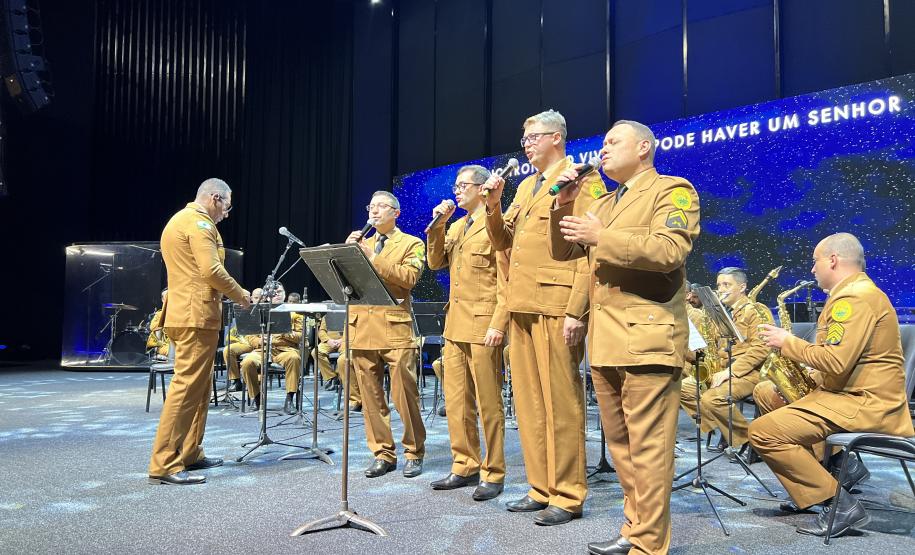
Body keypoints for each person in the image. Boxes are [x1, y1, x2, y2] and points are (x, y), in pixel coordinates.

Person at [549, 120, 700, 554]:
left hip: (648, 339)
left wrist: (603, 236)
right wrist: (563, 203)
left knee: (649, 448)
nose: (604, 148)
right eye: (603, 142)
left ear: (645, 147)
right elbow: (564, 251)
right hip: (607, 342)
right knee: (622, 447)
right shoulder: (607, 201)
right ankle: (635, 529)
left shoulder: (673, 190)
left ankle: (649, 545)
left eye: (614, 141)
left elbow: (670, 251)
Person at [481, 109, 606, 526]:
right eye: (525, 139)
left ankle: (568, 494)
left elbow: (589, 253)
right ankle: (540, 487)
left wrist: (577, 310)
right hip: (520, 305)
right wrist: (493, 207)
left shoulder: (583, 179)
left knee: (562, 404)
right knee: (530, 405)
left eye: (533, 137)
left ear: (557, 138)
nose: (527, 145)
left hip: (555, 306)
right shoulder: (525, 187)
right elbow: (503, 242)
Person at [751, 233, 915, 537]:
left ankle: (838, 505)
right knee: (770, 396)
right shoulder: (856, 294)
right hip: (848, 395)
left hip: (865, 404)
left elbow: (836, 362)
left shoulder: (853, 298)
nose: (813, 270)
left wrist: (788, 343)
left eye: (815, 262)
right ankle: (834, 471)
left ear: (833, 260)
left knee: (763, 431)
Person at [148, 178, 250, 485]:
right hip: (195, 315)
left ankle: (190, 452)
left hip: (189, 313)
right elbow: (211, 271)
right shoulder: (199, 224)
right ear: (215, 198)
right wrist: (241, 294)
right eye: (227, 207)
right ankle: (164, 463)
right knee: (186, 386)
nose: (226, 214)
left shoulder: (180, 220)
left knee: (200, 386)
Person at [426, 164, 509, 501]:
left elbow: (506, 279)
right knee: (457, 401)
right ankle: (465, 464)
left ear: (481, 188)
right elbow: (435, 263)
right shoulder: (458, 225)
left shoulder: (494, 224)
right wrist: (437, 225)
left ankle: (494, 471)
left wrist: (498, 324)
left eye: (463, 186)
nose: (457, 191)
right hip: (455, 325)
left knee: (489, 404)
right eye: (456, 186)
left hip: (483, 323)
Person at [345, 190, 426, 478]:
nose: (375, 211)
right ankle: (382, 452)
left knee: (405, 394)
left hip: (394, 328)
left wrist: (373, 256)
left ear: (396, 213)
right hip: (362, 326)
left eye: (382, 206)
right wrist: (344, 257)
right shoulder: (360, 243)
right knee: (370, 398)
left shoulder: (412, 243)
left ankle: (414, 451)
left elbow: (409, 279)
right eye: (371, 206)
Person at [679, 268, 772, 458]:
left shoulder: (756, 311)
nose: (721, 289)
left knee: (712, 398)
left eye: (727, 285)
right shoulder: (719, 313)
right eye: (719, 285)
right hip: (724, 368)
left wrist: (730, 372)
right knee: (684, 389)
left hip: (750, 372)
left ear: (742, 287)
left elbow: (762, 348)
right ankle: (725, 429)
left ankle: (749, 440)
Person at [240, 282, 304, 414]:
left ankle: (289, 399)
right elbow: (250, 336)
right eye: (273, 292)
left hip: (285, 350)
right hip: (262, 350)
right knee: (247, 362)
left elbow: (300, 336)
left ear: (284, 294)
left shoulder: (295, 313)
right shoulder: (259, 311)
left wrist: (284, 332)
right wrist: (259, 340)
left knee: (294, 358)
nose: (276, 294)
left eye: (279, 291)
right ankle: (257, 399)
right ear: (267, 296)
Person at [146, 289, 170, 358]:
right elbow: (152, 327)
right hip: (164, 345)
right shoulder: (159, 314)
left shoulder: (178, 313)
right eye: (166, 297)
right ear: (162, 300)